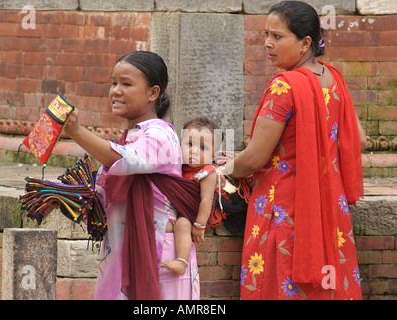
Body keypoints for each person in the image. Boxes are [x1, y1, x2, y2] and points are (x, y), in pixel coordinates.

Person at [222, 1, 367, 300]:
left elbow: (255, 158)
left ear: (305, 43)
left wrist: (224, 169)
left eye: (277, 36)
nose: (267, 43)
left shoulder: (284, 86)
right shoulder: (333, 79)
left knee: (277, 283)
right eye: (266, 35)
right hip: (327, 202)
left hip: (283, 207)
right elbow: (359, 140)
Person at [64, 51, 200, 300]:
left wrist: (76, 131)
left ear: (153, 93)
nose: (116, 91)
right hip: (126, 253)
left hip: (161, 257)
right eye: (113, 83)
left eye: (126, 84)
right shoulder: (131, 136)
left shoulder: (160, 134)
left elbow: (125, 160)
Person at [161, 116, 220, 275]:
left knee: (183, 225)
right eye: (189, 144)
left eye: (203, 148)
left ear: (213, 155)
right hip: (172, 209)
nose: (194, 150)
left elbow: (206, 199)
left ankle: (181, 262)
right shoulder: (176, 166)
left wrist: (199, 226)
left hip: (193, 216)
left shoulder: (207, 172)